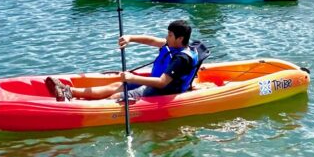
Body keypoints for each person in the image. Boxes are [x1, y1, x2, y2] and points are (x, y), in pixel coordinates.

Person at [45, 19, 201, 102]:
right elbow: (152, 41)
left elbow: (162, 82)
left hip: (162, 91)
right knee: (116, 86)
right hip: (152, 83)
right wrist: (130, 38)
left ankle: (80, 106)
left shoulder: (182, 59)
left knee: (116, 97)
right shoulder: (172, 45)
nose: (166, 38)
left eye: (170, 35)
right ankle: (69, 91)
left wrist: (132, 78)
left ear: (180, 39)